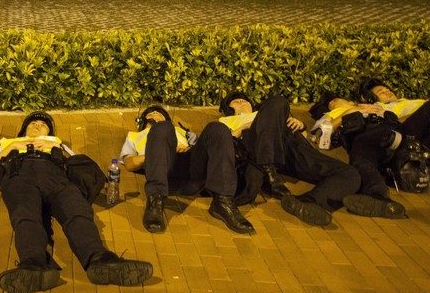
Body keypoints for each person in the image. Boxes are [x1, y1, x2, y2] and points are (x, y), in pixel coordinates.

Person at [0, 111, 153, 293]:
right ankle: (33, 264)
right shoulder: (7, 143)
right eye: (32, 123)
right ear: (24, 129)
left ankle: (100, 259)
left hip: (55, 177)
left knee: (77, 212)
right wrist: (13, 146)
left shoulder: (57, 143)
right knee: (26, 216)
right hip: (19, 177)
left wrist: (56, 146)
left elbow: (75, 165)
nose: (36, 125)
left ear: (49, 131)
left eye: (42, 124)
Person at [218, 92, 360, 226]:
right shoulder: (226, 121)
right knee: (278, 101)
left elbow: (309, 141)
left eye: (244, 100)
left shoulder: (267, 113)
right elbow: (227, 144)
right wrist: (245, 127)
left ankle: (308, 202)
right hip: (256, 146)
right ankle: (268, 168)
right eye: (236, 101)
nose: (241, 102)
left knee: (349, 173)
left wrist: (301, 128)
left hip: (288, 146)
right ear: (228, 109)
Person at [120, 105, 253, 234]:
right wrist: (156, 153)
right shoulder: (134, 136)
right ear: (142, 122)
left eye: (159, 113)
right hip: (165, 171)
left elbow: (207, 149)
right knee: (162, 128)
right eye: (151, 113)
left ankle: (223, 201)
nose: (155, 114)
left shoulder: (183, 132)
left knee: (217, 128)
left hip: (192, 170)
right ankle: (155, 202)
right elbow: (129, 163)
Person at [309, 92, 408, 218]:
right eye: (329, 105)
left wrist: (381, 113)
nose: (331, 104)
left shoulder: (377, 107)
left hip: (393, 129)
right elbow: (320, 136)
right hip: (365, 137)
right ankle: (380, 200)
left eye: (335, 100)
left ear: (350, 101)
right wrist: (348, 113)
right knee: (361, 160)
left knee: (360, 157)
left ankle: (391, 138)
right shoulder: (330, 115)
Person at [357, 78, 430, 145]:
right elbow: (388, 126)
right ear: (371, 99)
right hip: (406, 132)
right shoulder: (379, 107)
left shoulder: (405, 101)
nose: (388, 92)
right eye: (381, 92)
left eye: (388, 90)